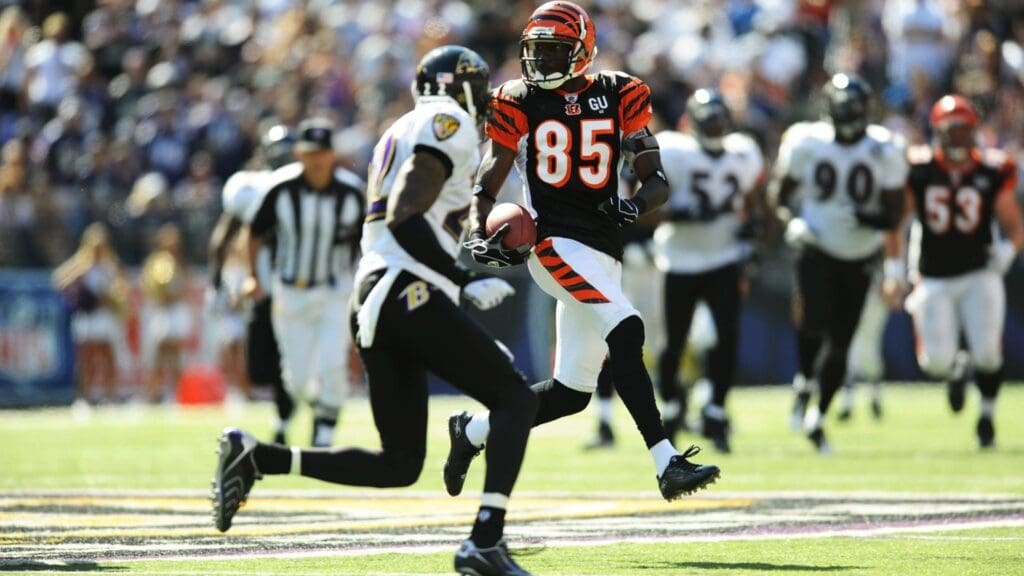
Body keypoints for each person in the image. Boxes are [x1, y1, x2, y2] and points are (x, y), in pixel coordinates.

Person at [213, 45, 539, 576]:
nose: (482, 102)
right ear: (456, 87)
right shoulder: (446, 120)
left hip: (374, 297)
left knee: (400, 464)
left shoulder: (403, 127)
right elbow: (403, 213)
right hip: (407, 290)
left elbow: (412, 215)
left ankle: (258, 456)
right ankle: (484, 540)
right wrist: (461, 279)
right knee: (515, 399)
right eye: (477, 89)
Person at [448, 1, 720, 501]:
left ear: (582, 51)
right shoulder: (515, 98)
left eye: (554, 51)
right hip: (552, 243)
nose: (542, 61)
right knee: (627, 325)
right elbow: (490, 177)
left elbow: (655, 182)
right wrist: (475, 227)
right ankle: (666, 461)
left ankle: (472, 432)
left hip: (602, 249)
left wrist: (634, 207)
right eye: (537, 51)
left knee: (571, 393)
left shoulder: (622, 92)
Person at [769, 73, 908, 453]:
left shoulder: (884, 148)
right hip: (816, 242)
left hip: (860, 252)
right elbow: (779, 194)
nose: (849, 114)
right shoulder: (807, 141)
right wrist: (791, 221)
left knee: (843, 342)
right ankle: (803, 382)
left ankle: (819, 416)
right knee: (814, 319)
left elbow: (895, 214)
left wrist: (871, 221)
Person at [883, 94, 1023, 448]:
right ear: (937, 130)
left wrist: (1008, 250)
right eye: (950, 129)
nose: (957, 137)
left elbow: (1014, 224)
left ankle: (987, 417)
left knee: (989, 353)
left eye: (962, 129)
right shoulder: (921, 168)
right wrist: (895, 270)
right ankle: (958, 368)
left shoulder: (991, 169)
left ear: (973, 130)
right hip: (933, 276)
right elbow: (898, 221)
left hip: (980, 272)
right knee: (936, 363)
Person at [650, 88, 765, 453]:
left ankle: (715, 409)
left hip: (723, 257)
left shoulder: (742, 152)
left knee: (727, 337)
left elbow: (751, 201)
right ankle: (672, 405)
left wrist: (752, 230)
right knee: (675, 343)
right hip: (680, 259)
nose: (715, 126)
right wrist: (677, 215)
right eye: (708, 120)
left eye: (719, 120)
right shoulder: (673, 151)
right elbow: (643, 205)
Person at [240, 117, 365, 447]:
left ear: (331, 154)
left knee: (333, 364)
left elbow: (367, 239)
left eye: (323, 153)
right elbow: (253, 232)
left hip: (335, 290)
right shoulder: (281, 188)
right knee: (294, 379)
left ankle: (324, 431)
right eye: (311, 153)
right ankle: (304, 406)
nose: (318, 160)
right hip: (291, 292)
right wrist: (253, 275)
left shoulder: (351, 193)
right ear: (299, 154)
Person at [209, 124, 297, 441]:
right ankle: (286, 408)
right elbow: (223, 238)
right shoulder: (249, 188)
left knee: (294, 364)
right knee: (260, 369)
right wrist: (215, 283)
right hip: (263, 290)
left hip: (300, 290)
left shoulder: (309, 186)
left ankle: (287, 421)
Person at [53, 222, 128, 404]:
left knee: (107, 356)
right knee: (87, 359)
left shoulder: (111, 264)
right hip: (88, 316)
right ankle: (84, 398)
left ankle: (110, 396)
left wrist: (113, 294)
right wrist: (81, 271)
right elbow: (58, 280)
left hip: (106, 315)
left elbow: (122, 288)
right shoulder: (81, 263)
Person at [140, 223, 191, 403]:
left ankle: (178, 395)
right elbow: (148, 286)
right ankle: (153, 394)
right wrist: (162, 294)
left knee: (176, 355)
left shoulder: (181, 263)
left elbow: (185, 287)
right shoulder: (155, 262)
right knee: (158, 355)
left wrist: (174, 294)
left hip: (175, 311)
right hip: (161, 311)